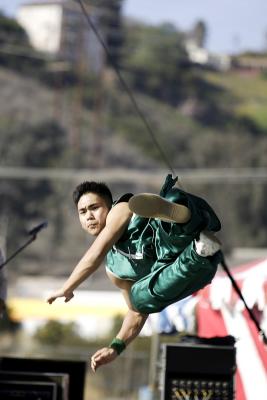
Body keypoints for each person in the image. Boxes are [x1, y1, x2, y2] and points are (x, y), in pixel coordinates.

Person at [47, 174, 222, 371]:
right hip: (195, 267)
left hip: (178, 236)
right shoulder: (115, 270)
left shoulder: (120, 209)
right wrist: (116, 346)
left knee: (173, 203)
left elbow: (97, 252)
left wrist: (67, 287)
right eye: (82, 212)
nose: (89, 216)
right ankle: (198, 248)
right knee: (138, 300)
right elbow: (137, 314)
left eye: (95, 208)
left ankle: (179, 215)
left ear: (109, 205)